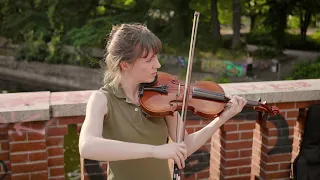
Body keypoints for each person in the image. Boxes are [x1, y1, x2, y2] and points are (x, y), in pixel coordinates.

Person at [78, 23, 247, 180]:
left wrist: (222, 118)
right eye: (149, 60)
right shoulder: (103, 99)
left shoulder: (162, 97)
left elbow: (185, 145)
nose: (157, 65)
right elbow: (87, 146)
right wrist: (155, 151)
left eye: (156, 58)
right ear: (125, 65)